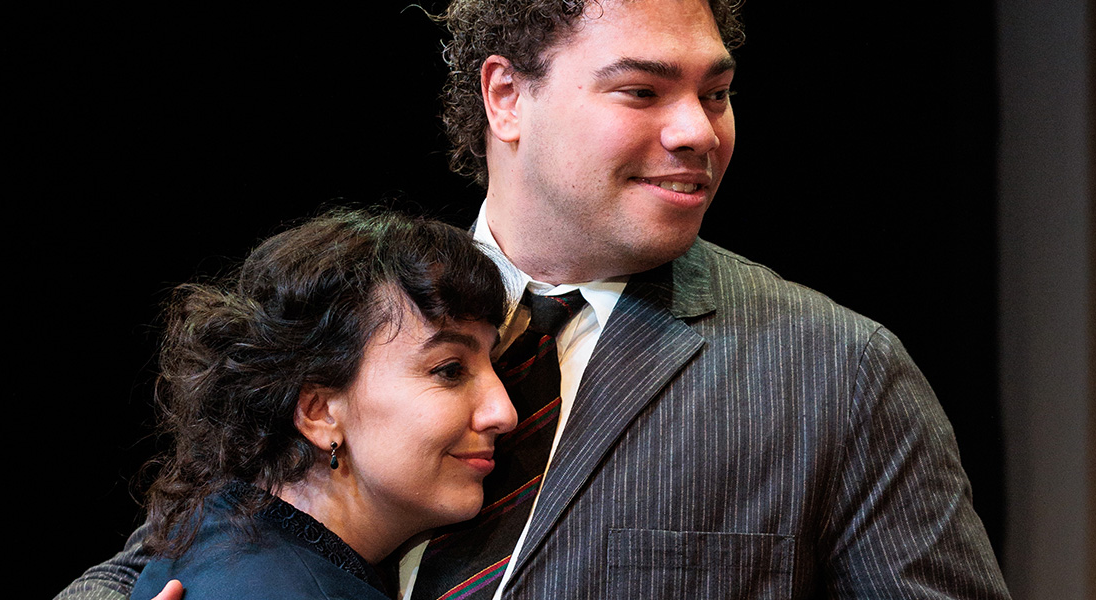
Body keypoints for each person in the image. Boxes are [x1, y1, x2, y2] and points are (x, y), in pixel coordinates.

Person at [58, 0, 1012, 598]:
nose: (696, 131)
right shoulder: (359, 313)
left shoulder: (835, 371)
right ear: (506, 96)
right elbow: (169, 552)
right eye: (642, 91)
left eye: (715, 93)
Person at [118, 209, 518, 600]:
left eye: (493, 365)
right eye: (449, 370)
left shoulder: (221, 525)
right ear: (319, 412)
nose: (504, 412)